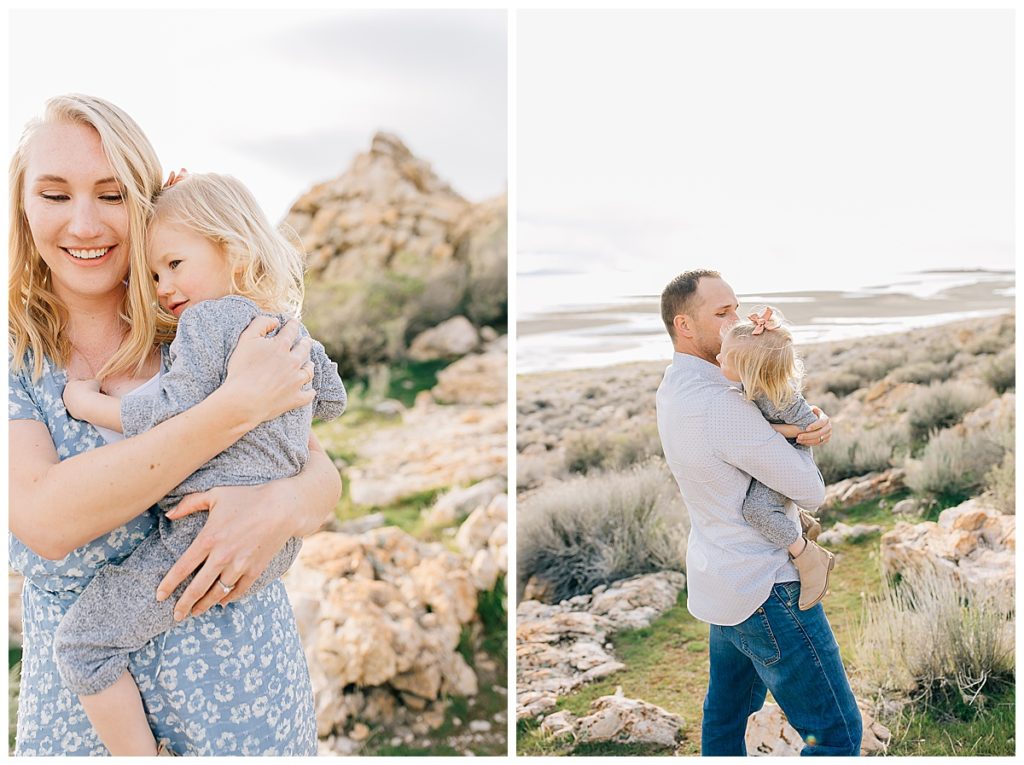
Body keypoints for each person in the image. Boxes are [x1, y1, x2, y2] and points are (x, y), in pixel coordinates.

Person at [9, 94, 338, 755]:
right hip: (90, 728)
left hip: (247, 701)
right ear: (22, 206)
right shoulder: (18, 358)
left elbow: (320, 471)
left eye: (111, 194)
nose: (83, 222)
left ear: (145, 203)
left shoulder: (199, 321)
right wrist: (234, 409)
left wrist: (280, 502)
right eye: (54, 194)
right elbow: (45, 520)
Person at [656, 270, 862, 756]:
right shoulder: (721, 405)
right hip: (767, 589)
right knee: (838, 735)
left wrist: (801, 423)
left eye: (736, 308)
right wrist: (807, 437)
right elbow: (810, 492)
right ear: (685, 325)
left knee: (726, 721)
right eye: (722, 313)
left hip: (721, 583)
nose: (737, 321)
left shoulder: (675, 387)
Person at [716, 305, 835, 610]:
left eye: (726, 357)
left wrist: (769, 428)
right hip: (780, 448)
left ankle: (809, 557)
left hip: (792, 453)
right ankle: (799, 521)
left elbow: (809, 425)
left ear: (748, 366)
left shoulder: (779, 393)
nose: (718, 358)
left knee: (756, 509)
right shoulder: (754, 384)